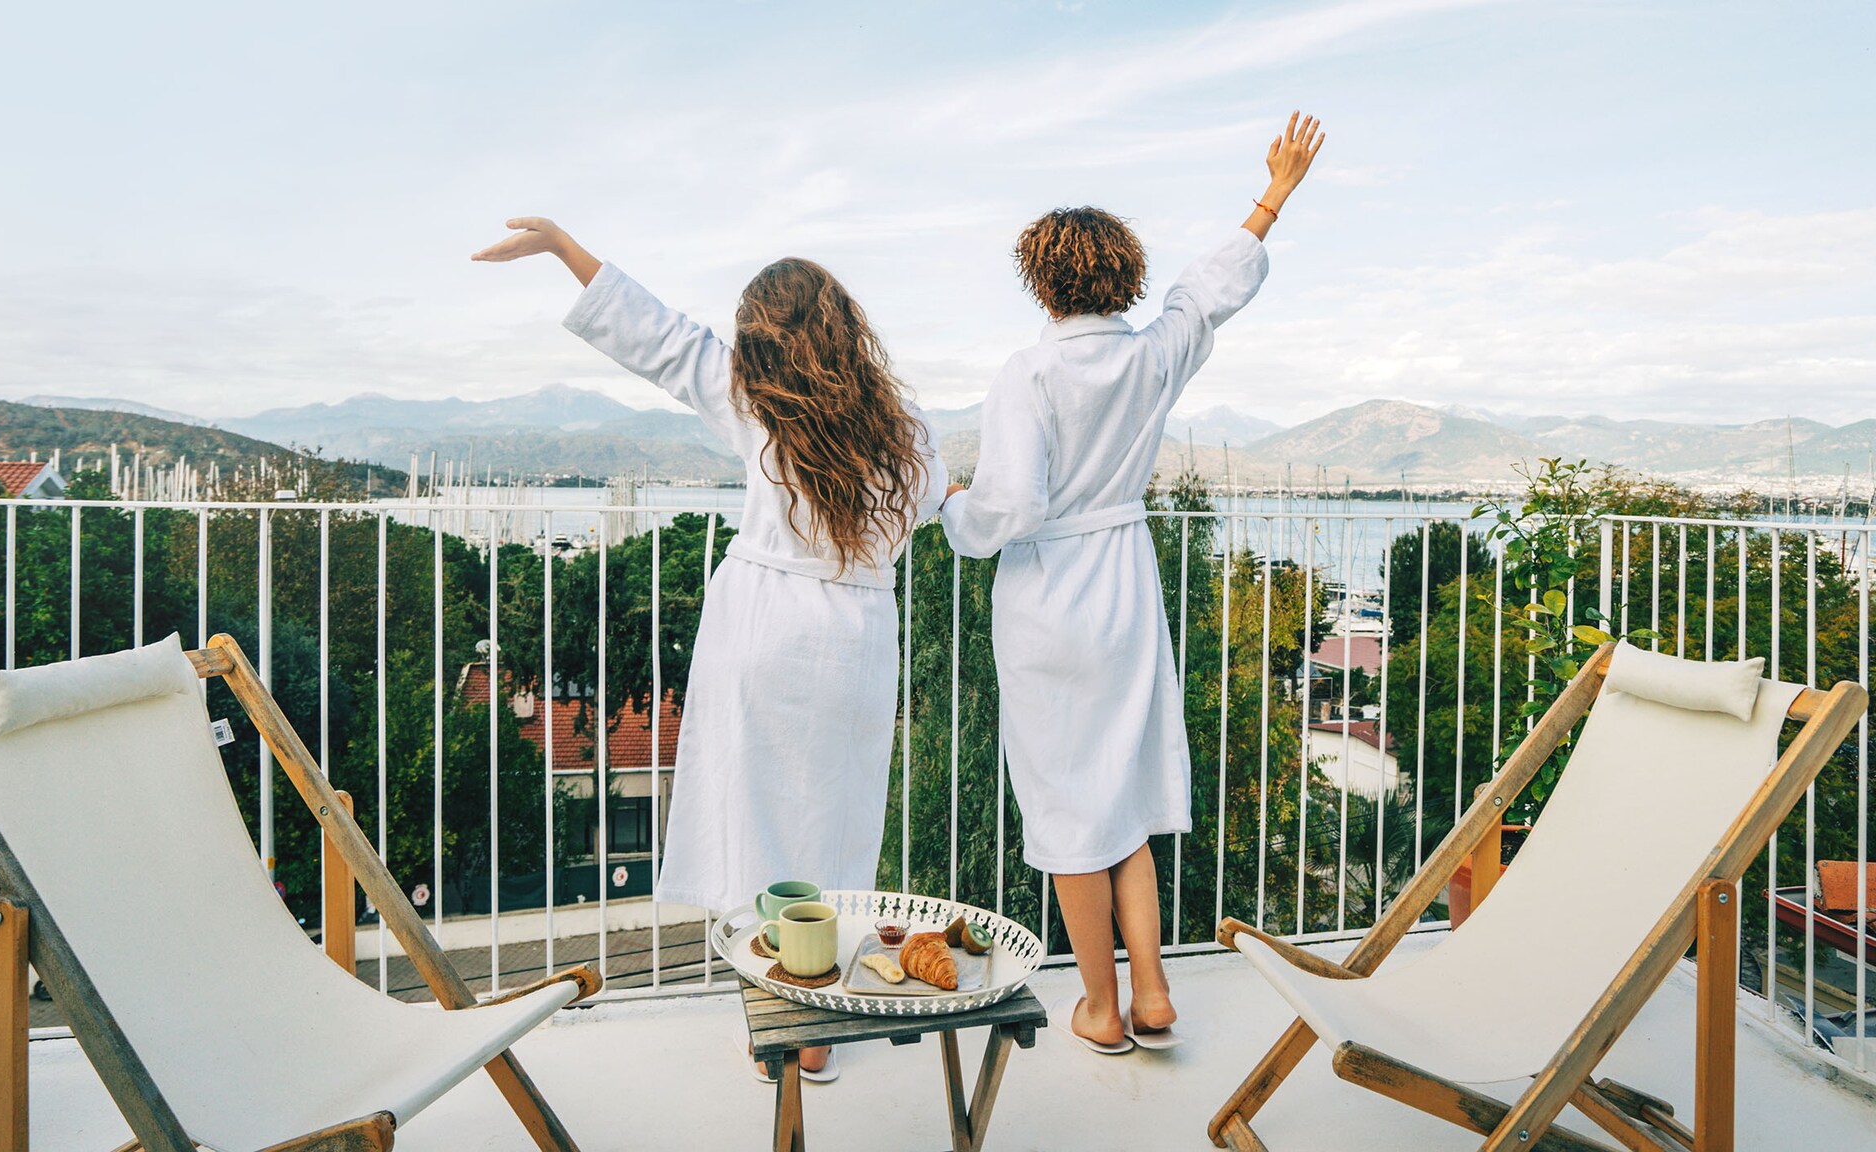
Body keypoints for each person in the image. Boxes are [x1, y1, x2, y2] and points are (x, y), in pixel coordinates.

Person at [473, 219, 947, 1079]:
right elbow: (918, 513)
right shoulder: (908, 427)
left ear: (764, 336)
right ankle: (818, 1038)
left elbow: (658, 338)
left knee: (755, 823)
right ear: (845, 323)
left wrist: (561, 248)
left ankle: (777, 1021)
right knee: (837, 829)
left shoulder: (754, 403)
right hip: (856, 642)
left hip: (763, 628)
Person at [939, 113, 1324, 1054]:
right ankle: (1154, 995)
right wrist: (1273, 194)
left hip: (1049, 604)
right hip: (1125, 589)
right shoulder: (1153, 356)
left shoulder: (1026, 373)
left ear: (1041, 279)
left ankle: (1102, 1009)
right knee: (1123, 796)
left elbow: (1008, 509)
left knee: (1070, 807)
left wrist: (953, 510)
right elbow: (1209, 292)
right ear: (1124, 277)